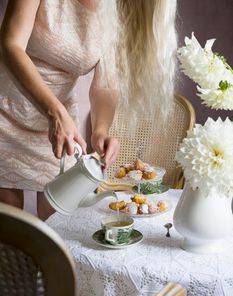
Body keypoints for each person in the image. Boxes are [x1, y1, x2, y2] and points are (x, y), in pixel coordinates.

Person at [0, 0, 177, 220]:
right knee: (8, 229)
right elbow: (11, 45)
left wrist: (100, 130)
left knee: (58, 223)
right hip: (6, 114)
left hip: (61, 131)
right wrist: (55, 112)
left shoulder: (120, 7)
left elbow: (106, 85)